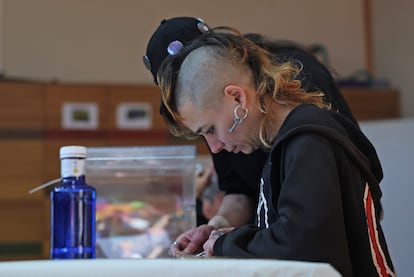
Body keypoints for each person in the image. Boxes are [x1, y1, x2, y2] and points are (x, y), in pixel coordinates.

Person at [156, 27, 395, 277]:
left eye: (211, 129)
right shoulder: (282, 146)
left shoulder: (308, 141)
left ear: (237, 98)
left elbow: (306, 246)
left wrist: (225, 244)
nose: (215, 146)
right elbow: (287, 234)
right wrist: (220, 234)